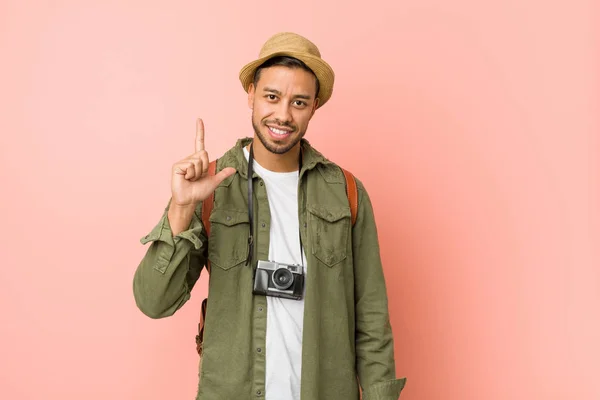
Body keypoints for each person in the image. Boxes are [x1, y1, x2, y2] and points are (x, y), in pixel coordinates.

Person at [133, 32, 406, 400]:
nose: (283, 115)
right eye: (272, 97)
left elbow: (371, 319)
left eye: (299, 102)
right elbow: (153, 301)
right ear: (251, 94)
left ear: (314, 107)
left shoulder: (346, 192)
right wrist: (181, 207)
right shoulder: (212, 187)